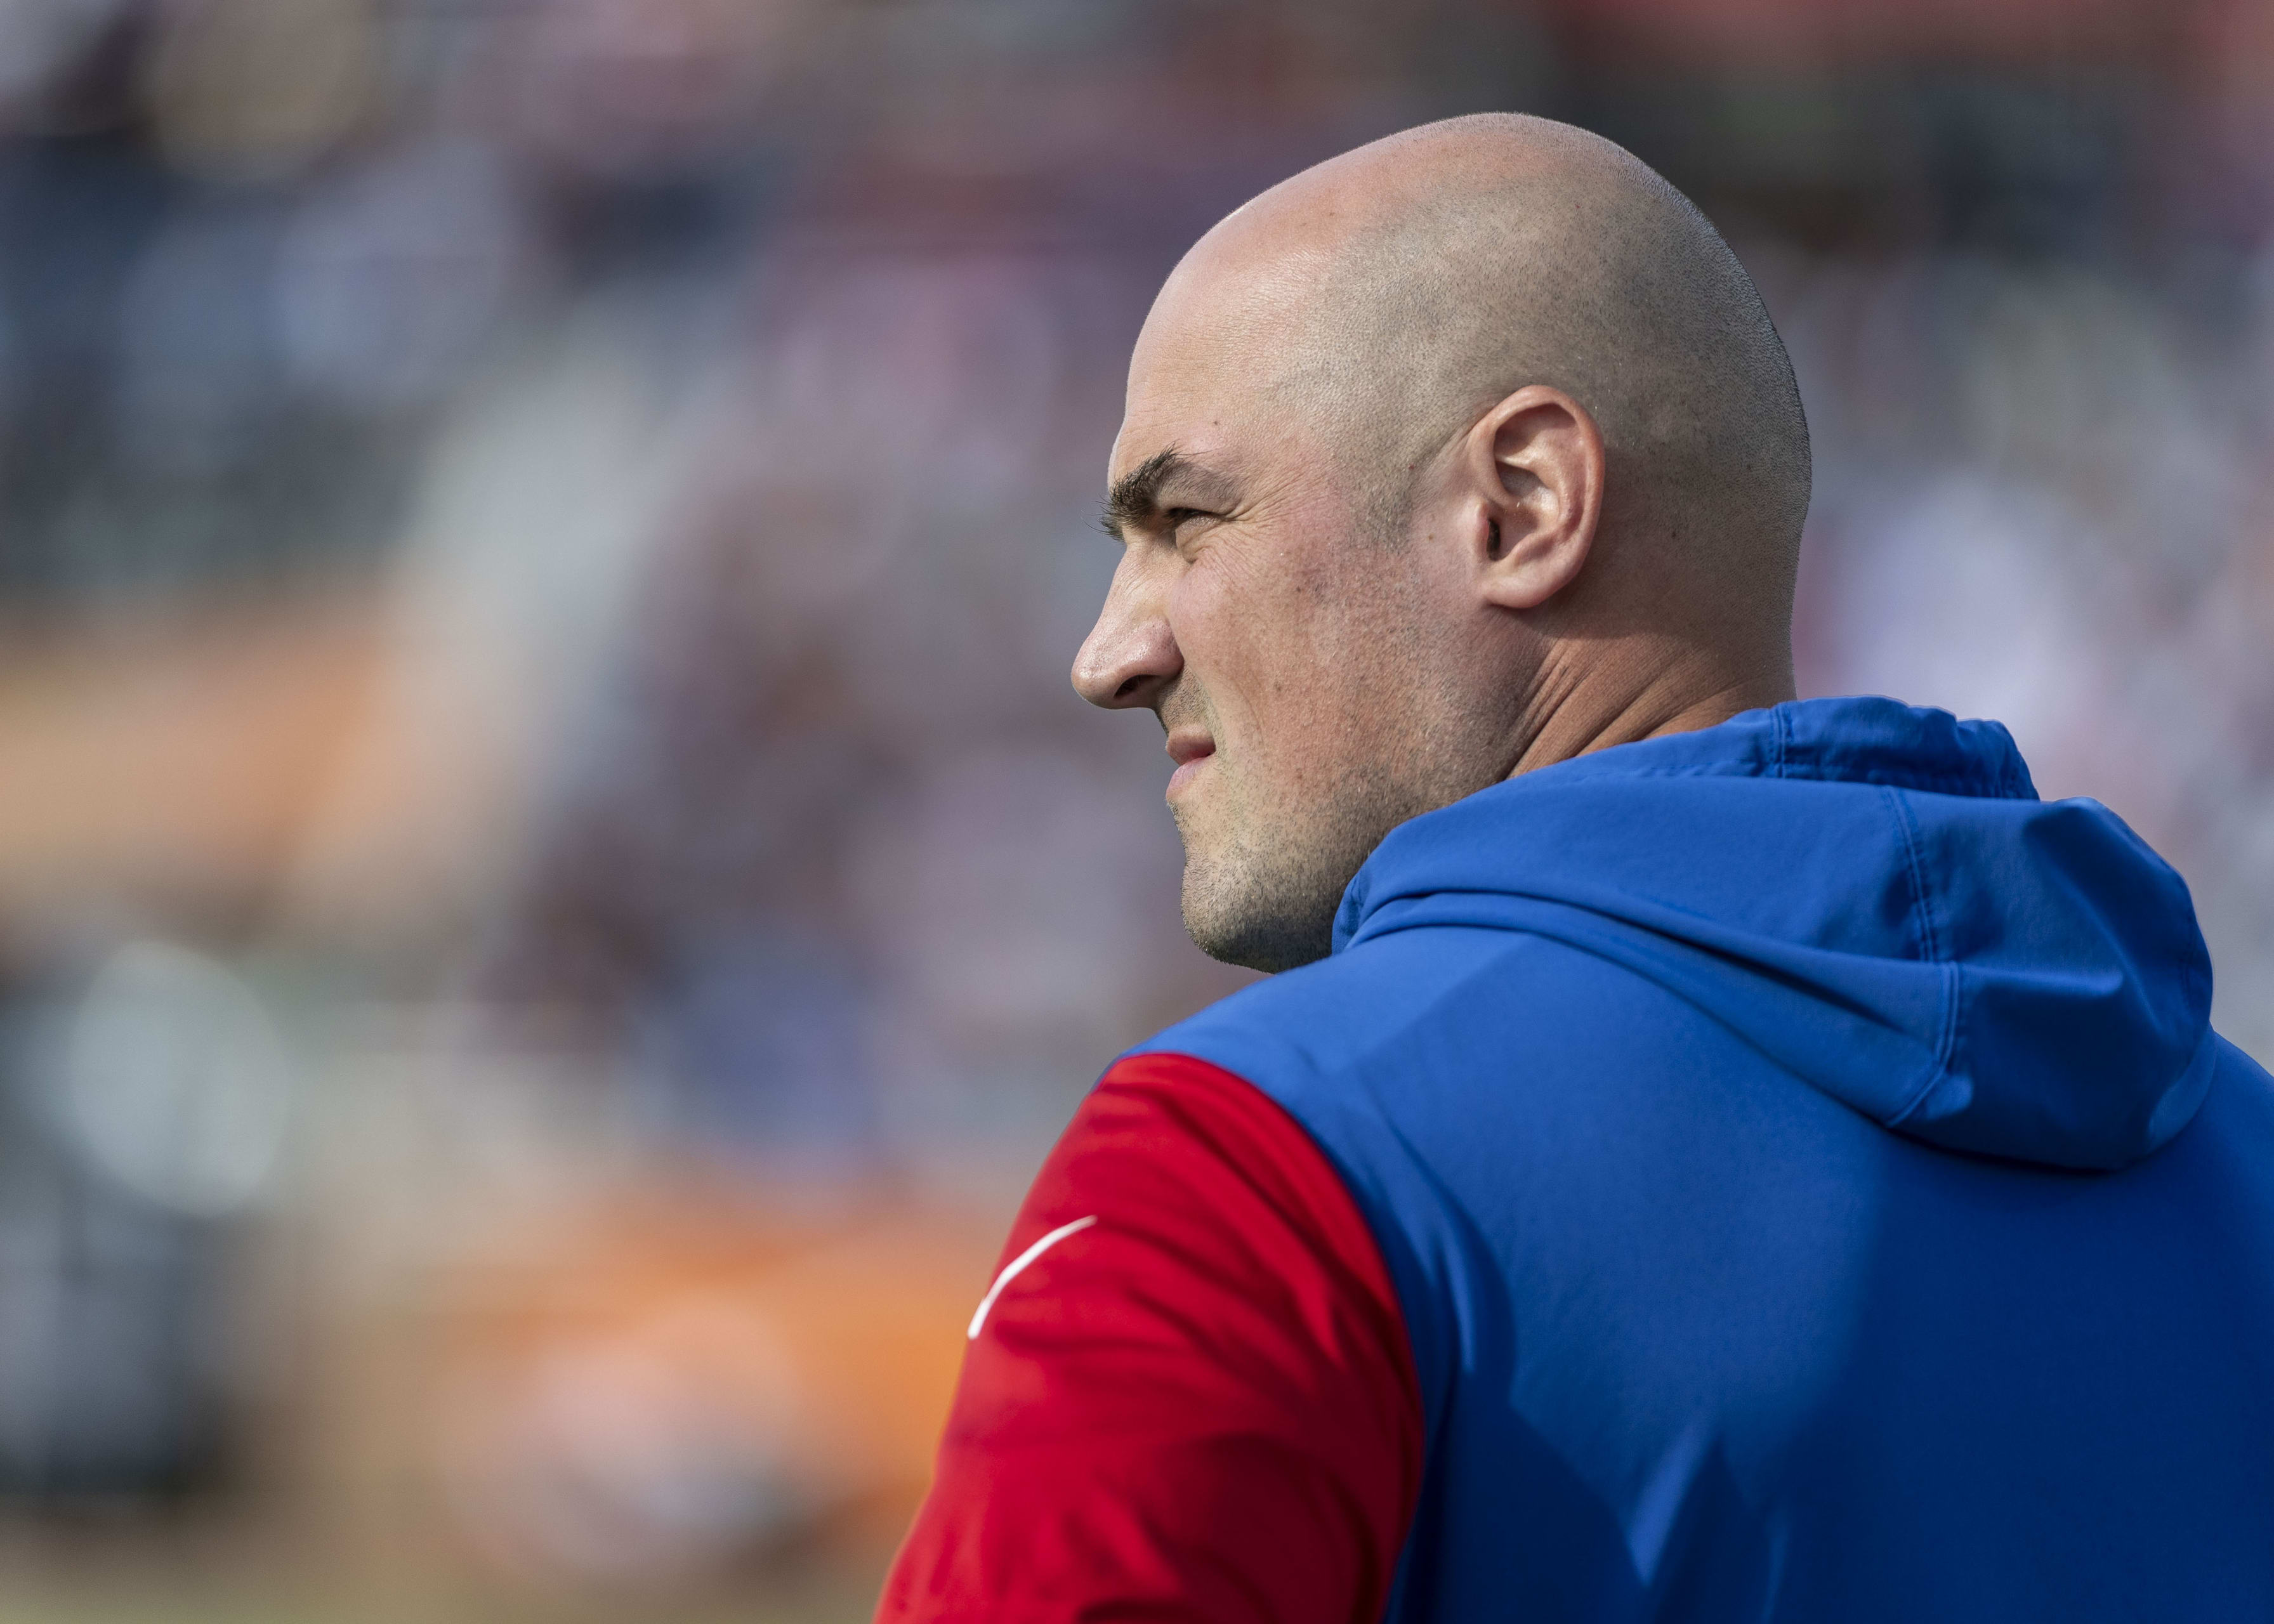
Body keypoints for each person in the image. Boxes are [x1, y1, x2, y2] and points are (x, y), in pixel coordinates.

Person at [874, 114, 2274, 1623]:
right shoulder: (2246, 1163)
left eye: (1184, 520)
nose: (1109, 655)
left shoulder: (1253, 1175)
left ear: (1522, 505)